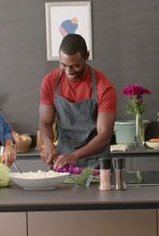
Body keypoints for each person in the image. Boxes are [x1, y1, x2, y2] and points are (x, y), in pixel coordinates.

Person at [39, 34, 117, 169]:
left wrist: (75, 156)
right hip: (63, 161)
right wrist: (48, 144)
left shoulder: (103, 87)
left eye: (75, 66)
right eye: (63, 65)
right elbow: (45, 122)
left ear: (86, 56)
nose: (69, 71)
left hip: (97, 163)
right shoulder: (50, 81)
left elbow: (104, 135)